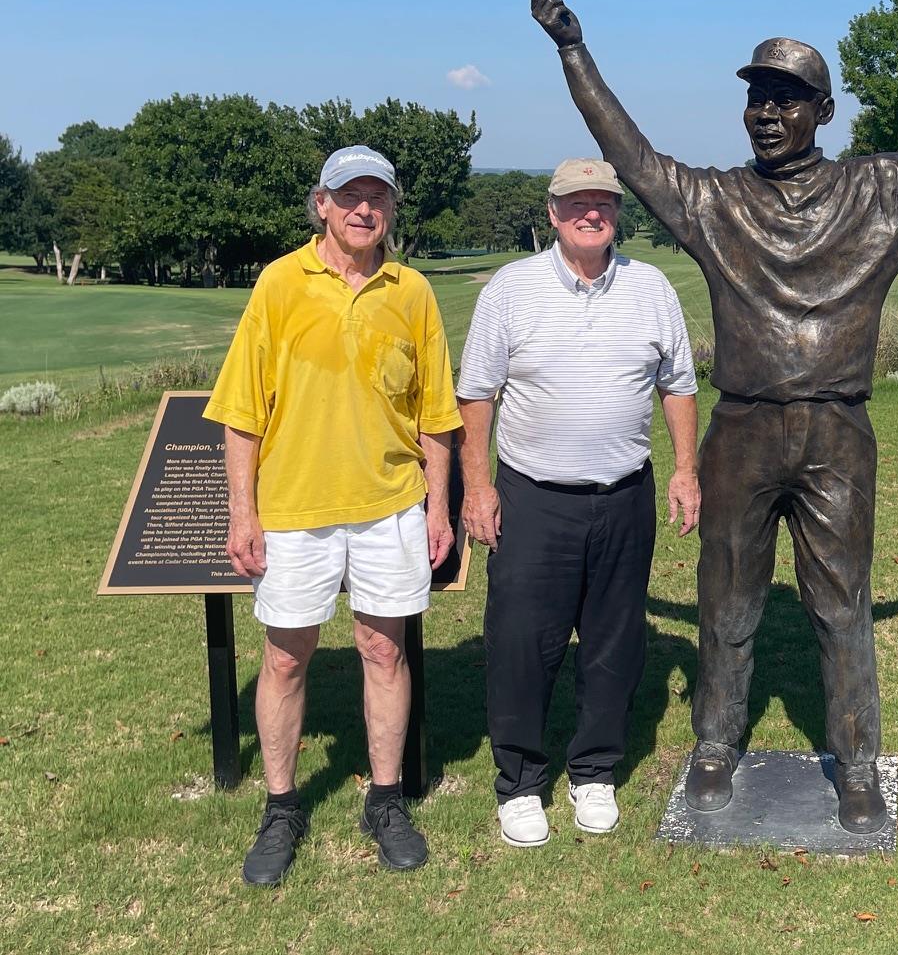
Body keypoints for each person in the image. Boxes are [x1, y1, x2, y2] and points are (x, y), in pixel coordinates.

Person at [528, 0, 898, 833]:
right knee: (726, 599)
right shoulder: (714, 201)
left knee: (841, 603)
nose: (766, 113)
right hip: (741, 429)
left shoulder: (880, 192)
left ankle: (855, 761)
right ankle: (715, 744)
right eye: (756, 98)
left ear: (822, 111)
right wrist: (573, 50)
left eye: (785, 99)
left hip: (835, 432)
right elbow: (629, 154)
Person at [206, 145, 461, 885]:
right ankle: (282, 806)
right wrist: (243, 513)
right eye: (349, 195)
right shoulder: (279, 283)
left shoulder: (412, 291)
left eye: (378, 197)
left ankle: (386, 800)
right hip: (294, 508)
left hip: (389, 506)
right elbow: (242, 412)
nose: (364, 209)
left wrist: (437, 506)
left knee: (384, 651)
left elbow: (436, 415)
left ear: (392, 208)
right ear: (321, 203)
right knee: (286, 657)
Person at [456, 158, 700, 848]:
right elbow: (476, 393)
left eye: (603, 203)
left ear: (617, 212)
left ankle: (593, 769)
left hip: (624, 495)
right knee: (521, 644)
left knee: (613, 641)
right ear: (553, 211)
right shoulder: (512, 288)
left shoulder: (651, 287)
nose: (590, 214)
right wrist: (478, 485)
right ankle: (520, 780)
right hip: (534, 498)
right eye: (576, 203)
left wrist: (686, 470)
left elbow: (678, 384)